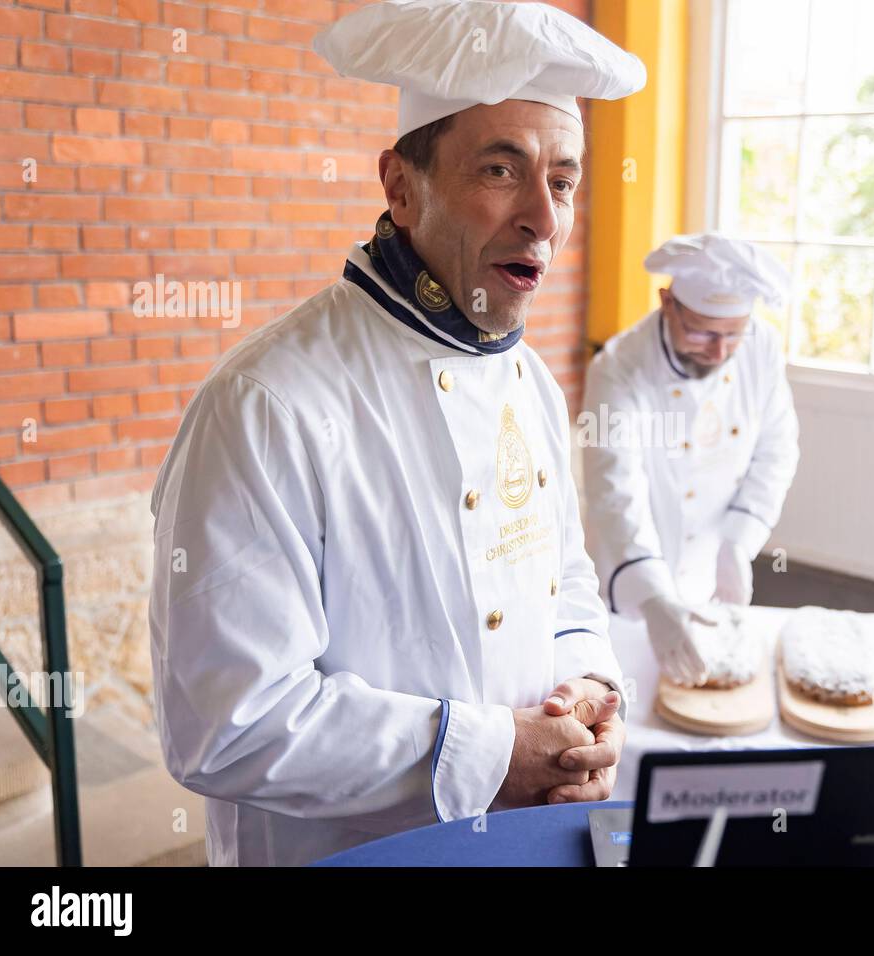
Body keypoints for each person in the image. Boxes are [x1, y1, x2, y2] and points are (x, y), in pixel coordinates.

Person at [148, 0, 645, 866]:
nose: (546, 217)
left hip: (528, 842)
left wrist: (591, 683)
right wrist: (489, 755)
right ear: (400, 185)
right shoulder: (267, 405)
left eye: (563, 180)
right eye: (502, 169)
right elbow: (224, 726)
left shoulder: (526, 380)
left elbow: (562, 578)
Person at [582, 234, 799, 685]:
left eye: (732, 335)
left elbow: (776, 450)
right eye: (702, 332)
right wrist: (655, 595)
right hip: (631, 576)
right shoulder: (618, 368)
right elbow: (614, 489)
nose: (718, 352)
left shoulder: (761, 347)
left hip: (711, 570)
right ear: (667, 303)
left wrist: (740, 540)